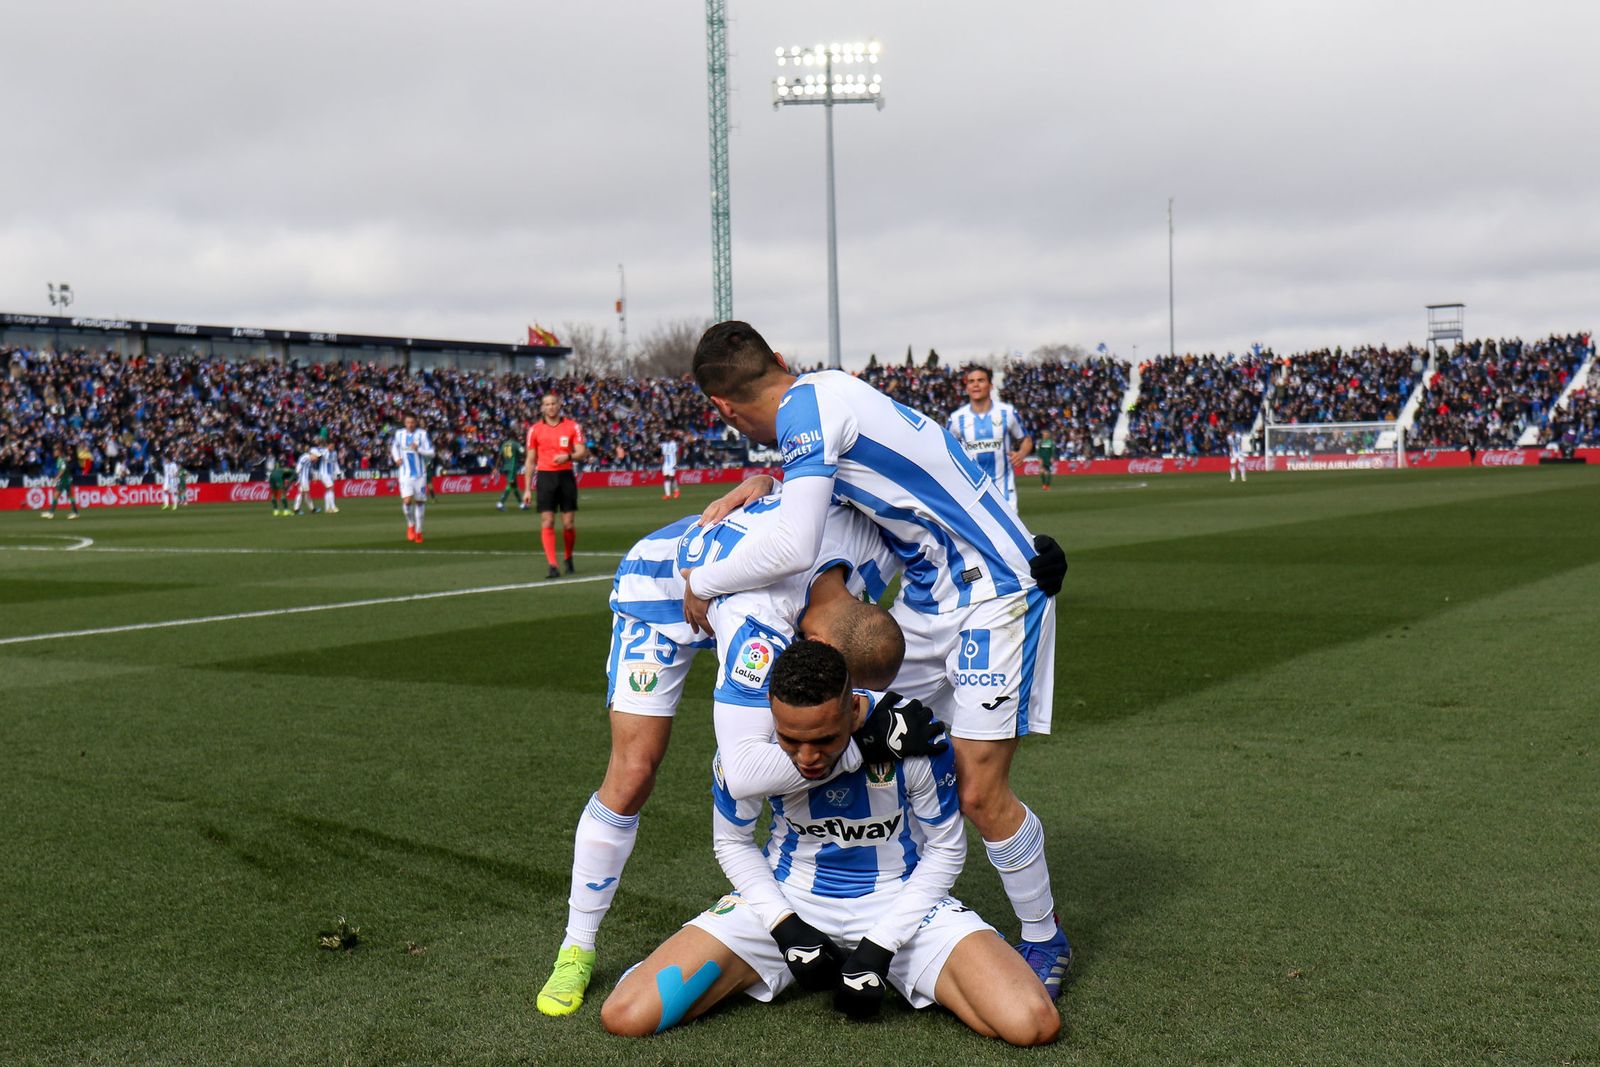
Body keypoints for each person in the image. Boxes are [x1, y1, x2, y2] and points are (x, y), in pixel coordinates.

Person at [683, 321, 1072, 997]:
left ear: (722, 408)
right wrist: (764, 479)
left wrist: (704, 582)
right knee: (876, 722)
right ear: (778, 357)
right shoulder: (825, 396)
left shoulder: (809, 408)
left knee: (978, 788)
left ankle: (1042, 935)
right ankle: (893, 902)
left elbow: (794, 548)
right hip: (928, 595)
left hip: (994, 596)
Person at [536, 493, 943, 1018]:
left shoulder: (872, 543)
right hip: (662, 592)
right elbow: (747, 772)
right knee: (634, 771)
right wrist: (868, 738)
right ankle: (577, 946)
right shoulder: (760, 628)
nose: (851, 706)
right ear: (812, 641)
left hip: (735, 582)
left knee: (811, 730)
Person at [600, 640, 1058, 1047]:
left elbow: (946, 849)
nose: (807, 757)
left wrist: (881, 945)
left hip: (899, 903)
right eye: (790, 740)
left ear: (853, 708)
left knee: (1032, 1023)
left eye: (824, 740)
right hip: (788, 898)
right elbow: (734, 843)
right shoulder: (745, 752)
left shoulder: (913, 734)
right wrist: (784, 926)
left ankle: (926, 962)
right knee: (626, 1016)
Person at [523, 393, 589, 579]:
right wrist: (527, 488)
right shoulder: (534, 430)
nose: (550, 407)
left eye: (553, 403)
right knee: (547, 520)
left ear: (559, 405)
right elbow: (530, 460)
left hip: (566, 475)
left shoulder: (572, 426)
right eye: (547, 404)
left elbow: (582, 451)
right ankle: (552, 564)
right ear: (542, 408)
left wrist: (567, 457)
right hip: (545, 476)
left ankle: (568, 557)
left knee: (568, 524)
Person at [947, 365, 1032, 504]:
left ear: (990, 385)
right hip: (972, 494)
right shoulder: (956, 419)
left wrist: (1021, 453)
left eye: (981, 380)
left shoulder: (1007, 412)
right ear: (966, 387)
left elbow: (1026, 439)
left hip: (1005, 492)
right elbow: (947, 449)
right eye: (971, 381)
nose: (976, 385)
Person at [390, 413, 434, 543]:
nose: (410, 425)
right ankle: (410, 525)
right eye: (408, 422)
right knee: (407, 501)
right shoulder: (399, 434)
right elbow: (394, 447)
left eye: (412, 422)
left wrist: (419, 449)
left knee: (419, 502)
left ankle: (419, 532)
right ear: (405, 423)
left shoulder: (422, 434)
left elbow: (431, 452)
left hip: (420, 474)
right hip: (405, 474)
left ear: (416, 423)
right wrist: (397, 458)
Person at [41, 447, 79, 520]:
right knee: (70, 495)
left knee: (57, 495)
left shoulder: (61, 460)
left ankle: (51, 512)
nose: (54, 453)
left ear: (59, 453)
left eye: (56, 451)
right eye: (54, 451)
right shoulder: (60, 460)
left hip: (63, 480)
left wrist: (56, 478)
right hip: (66, 479)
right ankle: (75, 512)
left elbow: (63, 470)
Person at [494, 429, 527, 511]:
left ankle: (522, 504)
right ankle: (500, 503)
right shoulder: (516, 444)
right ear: (513, 435)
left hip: (505, 467)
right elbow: (523, 452)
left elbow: (499, 457)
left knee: (514, 486)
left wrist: (496, 467)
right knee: (510, 484)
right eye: (515, 434)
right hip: (512, 467)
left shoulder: (504, 444)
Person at [315, 443, 341, 513]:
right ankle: (333, 507)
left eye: (333, 446)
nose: (332, 447)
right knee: (331, 488)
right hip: (324, 473)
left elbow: (335, 463)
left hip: (330, 474)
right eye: (330, 446)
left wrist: (338, 473)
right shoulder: (324, 451)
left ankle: (327, 508)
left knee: (328, 490)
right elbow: (316, 452)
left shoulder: (334, 453)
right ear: (327, 446)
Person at [291, 447, 317, 515]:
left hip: (305, 479)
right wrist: (297, 477)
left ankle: (298, 509)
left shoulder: (310, 460)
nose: (317, 458)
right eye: (316, 456)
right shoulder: (305, 457)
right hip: (303, 479)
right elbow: (299, 467)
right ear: (313, 454)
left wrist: (313, 476)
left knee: (302, 493)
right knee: (305, 494)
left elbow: (310, 469)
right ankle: (311, 509)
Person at [660, 435, 681, 501]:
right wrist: (662, 463)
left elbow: (677, 454)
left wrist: (677, 464)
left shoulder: (673, 444)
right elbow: (663, 455)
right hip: (666, 464)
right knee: (666, 477)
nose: (667, 437)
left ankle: (676, 491)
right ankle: (667, 495)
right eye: (666, 437)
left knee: (672, 477)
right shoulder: (663, 445)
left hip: (673, 463)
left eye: (668, 436)